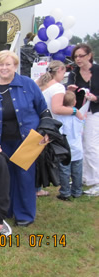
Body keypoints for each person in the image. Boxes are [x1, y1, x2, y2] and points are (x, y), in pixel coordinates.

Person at [0, 50, 48, 227]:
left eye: (8, 64)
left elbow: (44, 110)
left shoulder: (28, 85)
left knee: (25, 177)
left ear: (15, 66)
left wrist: (46, 131)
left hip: (26, 140)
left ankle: (24, 214)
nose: (4, 67)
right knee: (4, 178)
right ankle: (5, 210)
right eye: (0, 64)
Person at [35, 60, 83, 197]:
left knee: (38, 158)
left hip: (39, 123)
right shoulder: (57, 87)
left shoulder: (40, 84)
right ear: (61, 70)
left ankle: (36, 187)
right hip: (50, 125)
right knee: (47, 159)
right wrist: (75, 111)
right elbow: (57, 108)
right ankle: (42, 188)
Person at [67, 43, 99, 195]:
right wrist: (70, 90)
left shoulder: (97, 71)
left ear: (89, 56)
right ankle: (85, 176)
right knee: (81, 144)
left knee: (91, 145)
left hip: (95, 112)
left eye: (81, 56)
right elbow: (68, 89)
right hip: (79, 113)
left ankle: (96, 181)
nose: (78, 59)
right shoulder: (74, 73)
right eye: (75, 57)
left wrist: (95, 98)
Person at [55, 91, 84, 200]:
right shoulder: (78, 116)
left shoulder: (60, 118)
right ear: (75, 101)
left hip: (66, 149)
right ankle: (77, 191)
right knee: (77, 172)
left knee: (64, 171)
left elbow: (60, 133)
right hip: (78, 148)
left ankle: (65, 192)